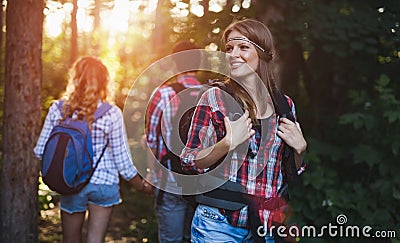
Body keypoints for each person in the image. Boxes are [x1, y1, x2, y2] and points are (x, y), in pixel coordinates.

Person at [181, 19, 308, 242]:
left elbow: (286, 171)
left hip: (266, 228)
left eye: (243, 46)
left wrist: (300, 150)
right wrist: (226, 143)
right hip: (218, 225)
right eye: (229, 48)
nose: (232, 54)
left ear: (262, 53)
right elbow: (189, 160)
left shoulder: (284, 105)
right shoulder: (215, 98)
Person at [34, 56, 152, 243]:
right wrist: (142, 186)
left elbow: (40, 150)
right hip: (103, 184)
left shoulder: (58, 109)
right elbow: (123, 163)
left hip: (70, 181)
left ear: (75, 79)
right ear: (104, 81)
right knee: (95, 240)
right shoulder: (111, 113)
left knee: (70, 240)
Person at [145, 41, 201, 243]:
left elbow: (152, 141)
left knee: (171, 239)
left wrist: (151, 173)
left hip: (170, 179)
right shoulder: (213, 93)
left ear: (175, 64)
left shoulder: (164, 94)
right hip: (205, 182)